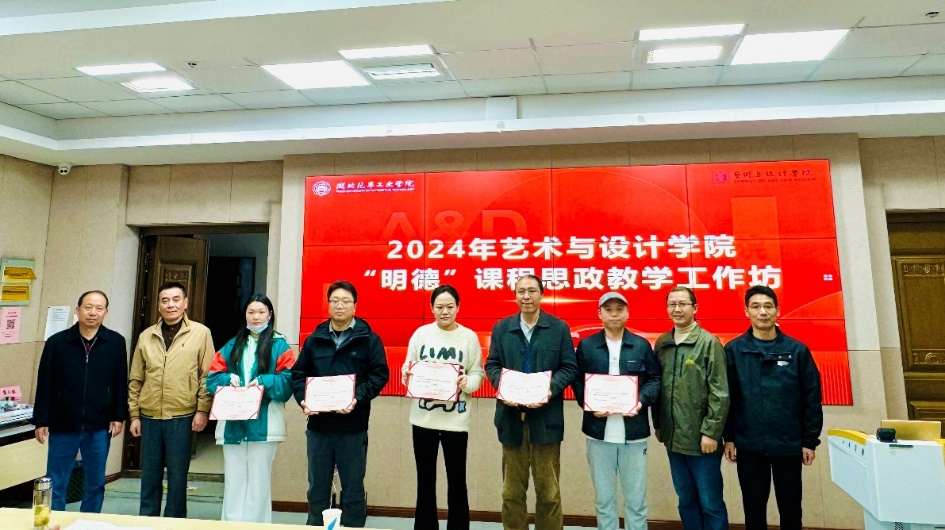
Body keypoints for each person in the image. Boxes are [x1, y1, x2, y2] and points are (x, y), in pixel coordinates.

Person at [723, 285, 823, 530]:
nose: (763, 312)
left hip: (788, 444)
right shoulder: (734, 350)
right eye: (756, 306)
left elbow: (811, 398)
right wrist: (729, 437)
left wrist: (809, 441)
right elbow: (727, 398)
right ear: (746, 311)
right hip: (749, 445)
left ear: (778, 310)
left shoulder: (797, 350)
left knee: (791, 509)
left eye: (768, 306)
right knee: (753, 509)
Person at [291, 280, 390, 527]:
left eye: (345, 301)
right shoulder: (314, 340)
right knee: (317, 489)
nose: (339, 305)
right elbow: (298, 375)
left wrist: (357, 397)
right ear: (328, 305)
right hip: (319, 427)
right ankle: (316, 525)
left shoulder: (369, 339)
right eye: (334, 301)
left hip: (353, 428)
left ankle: (353, 525)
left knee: (353, 489)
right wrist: (304, 399)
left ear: (355, 306)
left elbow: (380, 375)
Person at [484, 274, 578, 530]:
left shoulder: (558, 328)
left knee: (549, 494)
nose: (526, 296)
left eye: (532, 291)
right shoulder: (502, 328)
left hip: (546, 421)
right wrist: (504, 386)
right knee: (511, 493)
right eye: (521, 291)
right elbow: (492, 364)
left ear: (542, 294)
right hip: (510, 420)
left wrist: (548, 390)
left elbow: (569, 367)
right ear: (515, 295)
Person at [32, 290, 128, 513]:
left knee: (95, 483)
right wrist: (42, 420)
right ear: (77, 310)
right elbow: (45, 383)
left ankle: (89, 523)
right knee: (56, 482)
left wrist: (118, 416)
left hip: (99, 425)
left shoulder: (115, 342)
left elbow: (120, 381)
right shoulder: (57, 343)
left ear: (106, 312)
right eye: (88, 307)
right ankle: (54, 522)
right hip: (62, 425)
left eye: (99, 308)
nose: (93, 312)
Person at [572, 292, 662, 530]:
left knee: (636, 501)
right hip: (598, 435)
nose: (614, 314)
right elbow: (577, 380)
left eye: (619, 309)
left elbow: (655, 380)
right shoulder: (587, 345)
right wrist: (589, 403)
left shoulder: (641, 345)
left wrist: (640, 402)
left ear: (627, 313)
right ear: (599, 313)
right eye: (608, 309)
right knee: (604, 500)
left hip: (634, 435)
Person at [128, 281, 214, 518]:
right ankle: (148, 520)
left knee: (177, 477)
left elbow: (207, 376)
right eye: (165, 300)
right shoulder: (146, 336)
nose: (170, 305)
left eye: (176, 300)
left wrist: (202, 410)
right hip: (150, 417)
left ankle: (175, 521)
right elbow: (136, 379)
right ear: (159, 305)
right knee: (149, 475)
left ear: (185, 303)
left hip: (182, 416)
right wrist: (134, 415)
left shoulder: (201, 333)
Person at [206, 294, 295, 523]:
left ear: (270, 315)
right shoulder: (231, 345)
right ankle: (231, 525)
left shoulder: (280, 345)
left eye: (261, 312)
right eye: (251, 312)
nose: (256, 317)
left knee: (258, 481)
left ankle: (257, 526)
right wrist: (228, 380)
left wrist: (264, 382)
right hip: (232, 422)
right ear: (245, 315)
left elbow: (288, 381)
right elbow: (212, 379)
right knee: (233, 480)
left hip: (265, 424)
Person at [402, 285, 484, 530]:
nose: (444, 311)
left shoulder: (468, 337)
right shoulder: (420, 334)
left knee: (457, 481)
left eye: (450, 306)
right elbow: (408, 367)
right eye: (439, 307)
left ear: (458, 308)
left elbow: (477, 373)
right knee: (425, 481)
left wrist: (468, 383)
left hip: (456, 422)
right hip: (423, 420)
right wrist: (407, 375)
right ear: (431, 308)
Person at [652, 285, 729, 530]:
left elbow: (720, 392)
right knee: (686, 501)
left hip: (702, 440)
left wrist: (711, 433)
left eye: (683, 304)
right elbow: (657, 387)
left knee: (710, 503)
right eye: (672, 304)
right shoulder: (662, 343)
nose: (677, 309)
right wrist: (659, 425)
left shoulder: (708, 343)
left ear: (695, 308)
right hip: (673, 439)